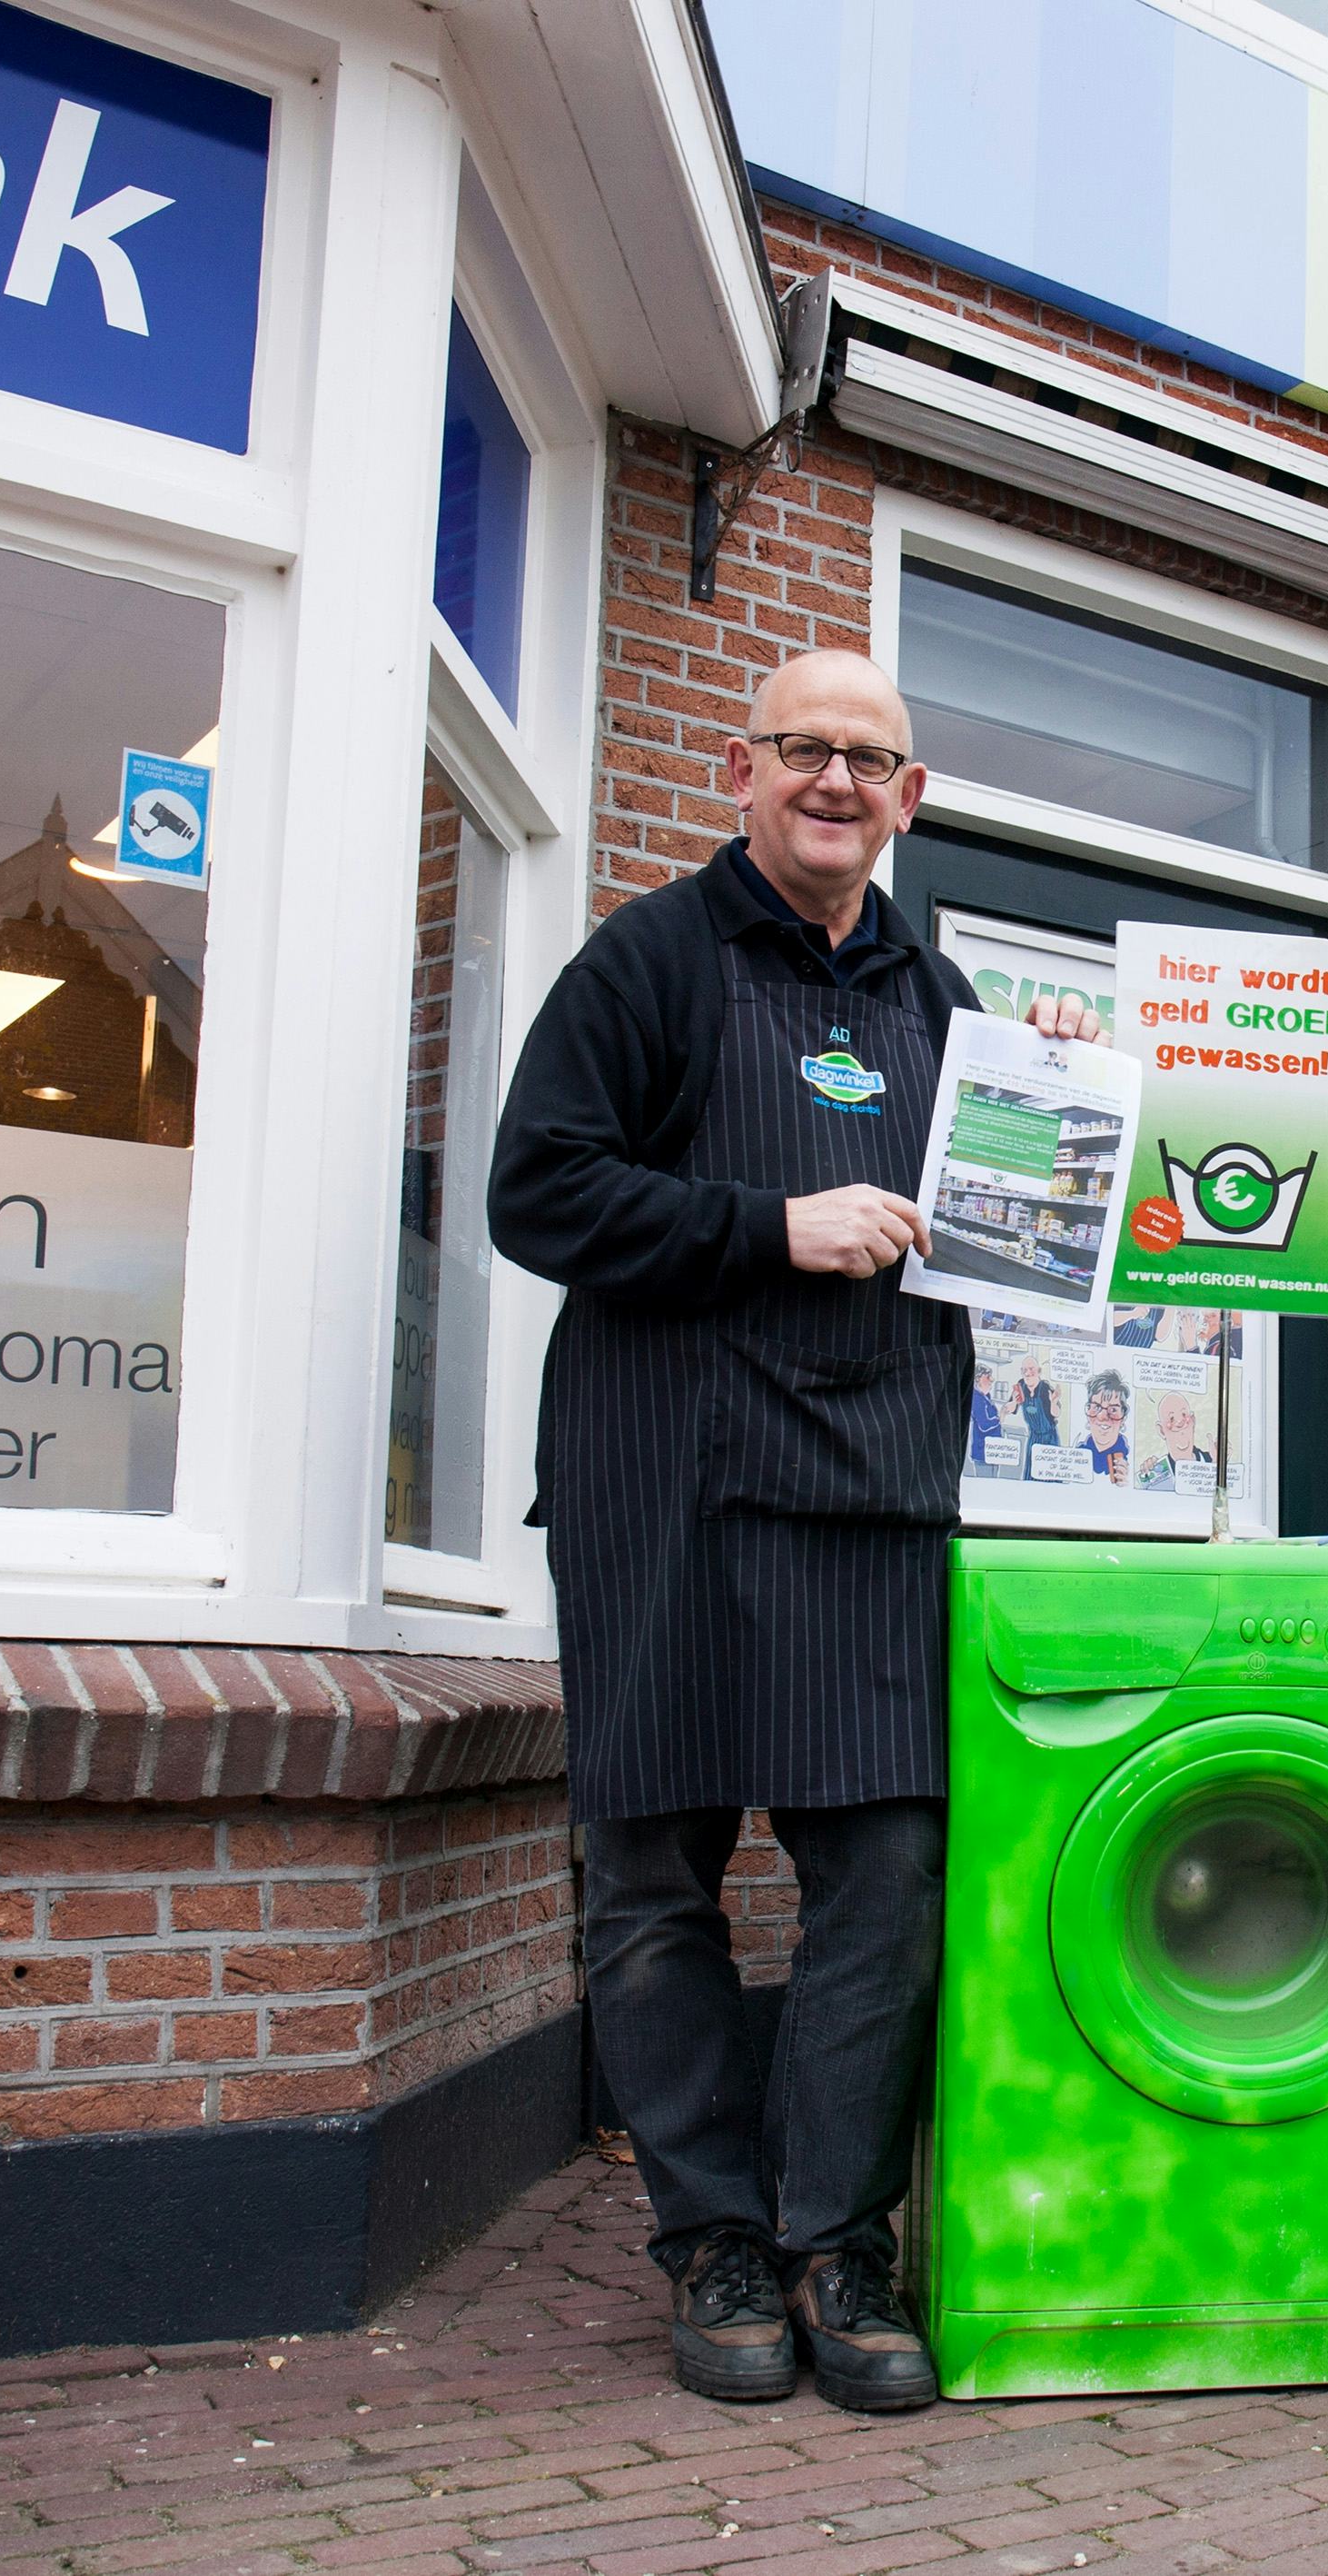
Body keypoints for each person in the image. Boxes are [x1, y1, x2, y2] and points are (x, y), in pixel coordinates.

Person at [490, 648, 1096, 2414]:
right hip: (666, 1487)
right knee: (656, 1881)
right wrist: (769, 1225)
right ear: (741, 775)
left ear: (908, 801)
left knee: (885, 1886)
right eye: (805, 750)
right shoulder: (648, 962)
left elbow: (996, 1235)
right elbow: (538, 1188)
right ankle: (715, 2243)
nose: (837, 781)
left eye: (872, 759)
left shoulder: (944, 995)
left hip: (867, 1498)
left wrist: (1070, 1210)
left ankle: (837, 2236)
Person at [1077, 1370, 1132, 1481]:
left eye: (1113, 1410)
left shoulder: (1128, 1461)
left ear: (1123, 1417)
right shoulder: (1079, 1453)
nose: (1103, 1417)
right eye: (1096, 1407)